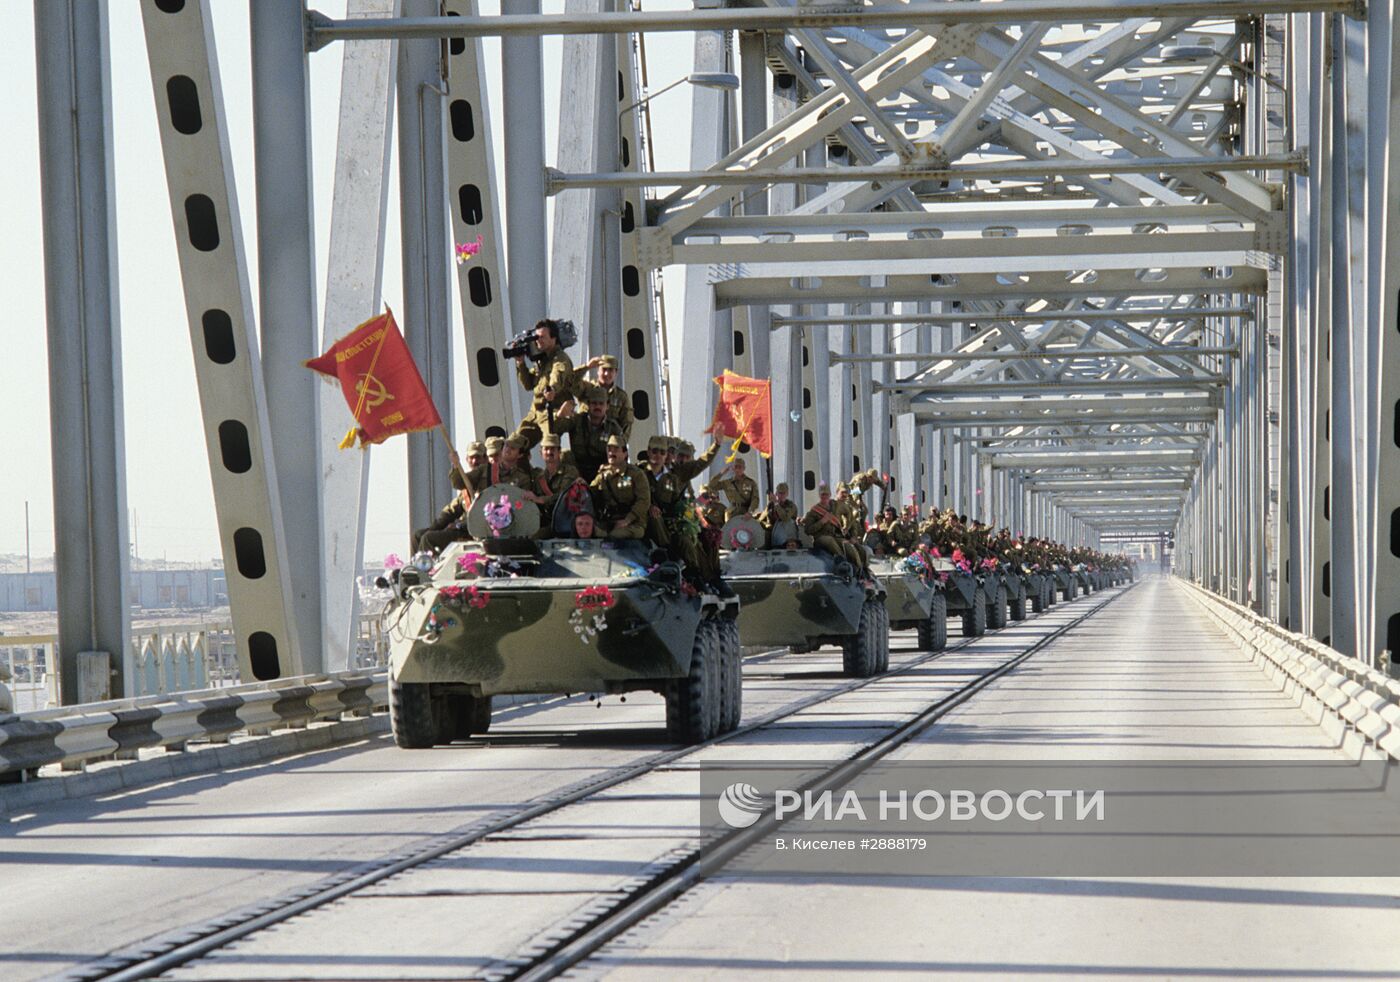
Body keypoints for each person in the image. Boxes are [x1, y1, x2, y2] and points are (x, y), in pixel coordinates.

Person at [511, 318, 578, 450]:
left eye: (542, 337)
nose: (538, 340)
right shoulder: (541, 361)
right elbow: (528, 385)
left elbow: (557, 375)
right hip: (536, 413)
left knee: (549, 446)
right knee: (514, 446)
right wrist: (520, 363)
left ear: (553, 339)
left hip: (553, 411)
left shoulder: (560, 359)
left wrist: (552, 389)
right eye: (537, 337)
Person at [644, 434, 702, 575]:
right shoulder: (643, 472)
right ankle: (668, 553)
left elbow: (686, 502)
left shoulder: (676, 477)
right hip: (650, 521)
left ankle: (697, 576)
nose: (682, 460)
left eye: (666, 452)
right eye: (680, 455)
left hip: (673, 523)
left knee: (693, 540)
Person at [554, 384, 623, 482]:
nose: (597, 407)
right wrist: (560, 414)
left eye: (601, 403)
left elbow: (622, 456)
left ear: (607, 406)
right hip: (577, 470)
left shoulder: (613, 428)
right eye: (594, 403)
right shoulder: (577, 420)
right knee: (565, 456)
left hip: (602, 471)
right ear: (588, 404)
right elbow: (555, 430)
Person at [589, 434, 651, 539]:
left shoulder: (636, 474)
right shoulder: (603, 475)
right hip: (609, 521)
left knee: (614, 536)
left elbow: (644, 500)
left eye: (616, 449)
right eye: (609, 449)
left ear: (625, 453)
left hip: (632, 524)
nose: (611, 453)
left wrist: (627, 520)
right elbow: (590, 493)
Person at [802, 483, 865, 570]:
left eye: (826, 494)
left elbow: (849, 513)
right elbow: (808, 530)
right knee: (829, 540)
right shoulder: (814, 511)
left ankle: (860, 570)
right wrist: (822, 521)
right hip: (821, 538)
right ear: (819, 495)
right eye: (822, 494)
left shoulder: (835, 506)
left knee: (848, 546)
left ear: (830, 495)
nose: (824, 497)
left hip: (835, 536)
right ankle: (843, 562)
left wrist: (846, 527)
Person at [577, 353, 634, 440]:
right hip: (584, 441)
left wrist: (619, 444)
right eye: (604, 369)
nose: (607, 374)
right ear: (598, 371)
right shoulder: (586, 388)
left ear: (616, 372)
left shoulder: (621, 397)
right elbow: (569, 380)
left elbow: (626, 424)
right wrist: (587, 367)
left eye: (611, 370)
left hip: (607, 446)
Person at [531, 434, 581, 525]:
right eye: (546, 449)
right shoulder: (539, 478)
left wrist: (541, 499)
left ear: (559, 452)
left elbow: (565, 496)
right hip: (548, 522)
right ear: (541, 453)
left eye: (553, 449)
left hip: (568, 520)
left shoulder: (570, 471)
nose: (549, 452)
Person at [759, 482, 800, 549]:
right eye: (780, 493)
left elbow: (785, 518)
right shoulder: (771, 505)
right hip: (775, 533)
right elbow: (763, 518)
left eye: (784, 493)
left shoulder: (791, 505)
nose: (782, 495)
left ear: (787, 494)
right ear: (776, 494)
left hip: (788, 535)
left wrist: (776, 503)